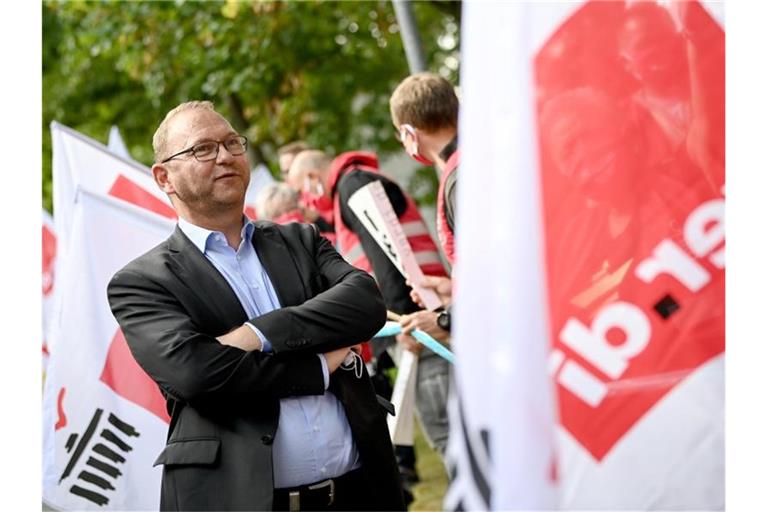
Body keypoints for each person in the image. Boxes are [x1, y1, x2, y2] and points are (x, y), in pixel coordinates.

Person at [107, 101, 405, 512]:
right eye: (203, 149)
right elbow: (198, 373)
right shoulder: (142, 282)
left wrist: (257, 334)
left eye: (232, 143)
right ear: (164, 177)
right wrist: (319, 365)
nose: (226, 155)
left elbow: (366, 304)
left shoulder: (301, 240)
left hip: (361, 491)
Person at [287, 149, 451, 463]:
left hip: (421, 325)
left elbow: (389, 257)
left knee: (445, 432)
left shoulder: (352, 186)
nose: (305, 202)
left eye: (300, 192)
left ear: (311, 179)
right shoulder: (352, 186)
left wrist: (408, 321)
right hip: (423, 319)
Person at [389, 72, 460, 345]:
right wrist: (452, 290)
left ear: (409, 133)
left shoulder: (460, 178)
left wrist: (445, 320)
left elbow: (501, 266)